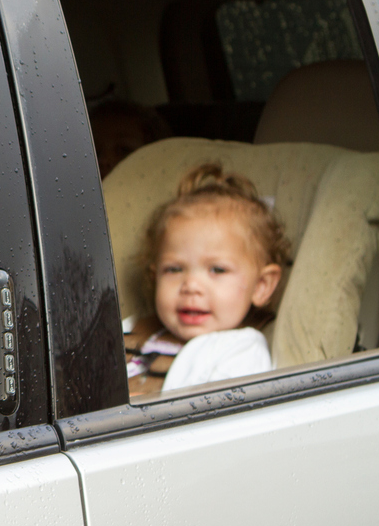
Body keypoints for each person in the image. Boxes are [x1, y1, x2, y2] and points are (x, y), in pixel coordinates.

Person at [124, 163, 289, 395]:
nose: (191, 286)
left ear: (261, 286)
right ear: (155, 276)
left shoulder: (241, 352)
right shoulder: (133, 329)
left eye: (218, 270)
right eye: (173, 269)